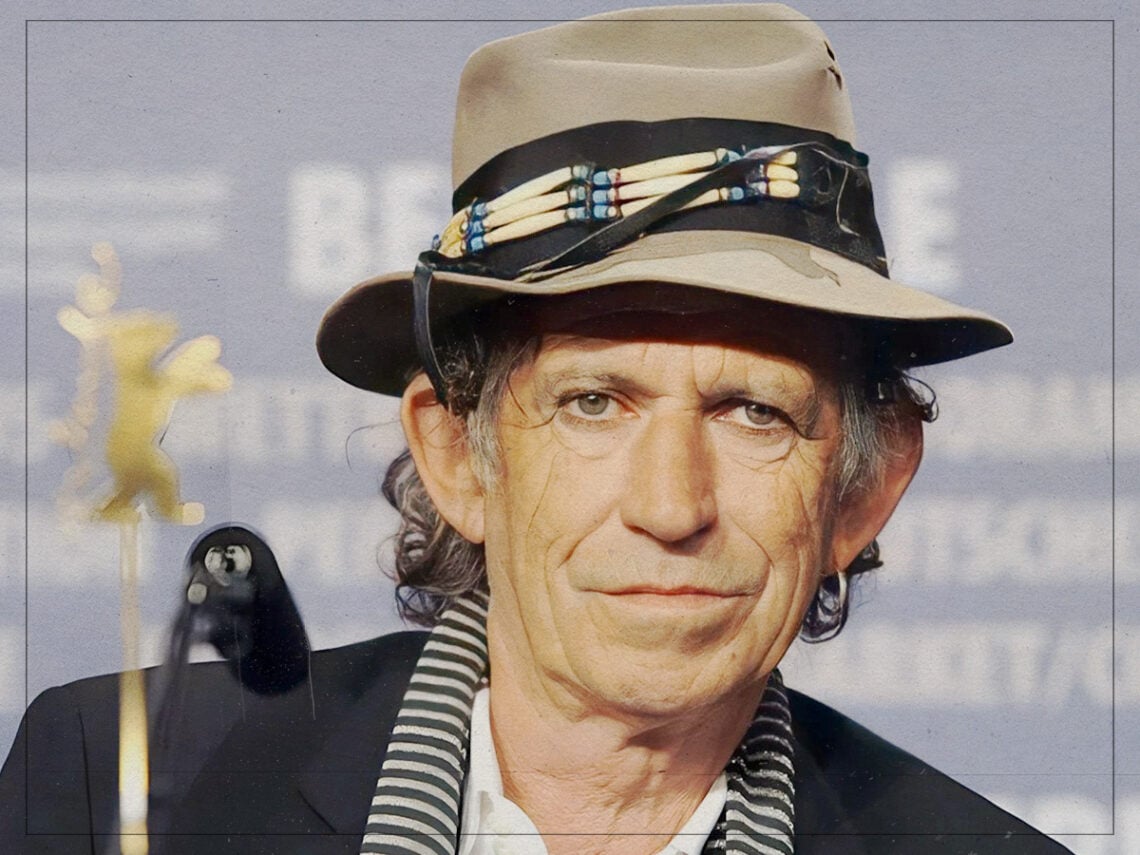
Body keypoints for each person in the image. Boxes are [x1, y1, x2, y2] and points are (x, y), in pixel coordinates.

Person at [1, 4, 1072, 854]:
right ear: (456, 454)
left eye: (754, 412)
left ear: (864, 490)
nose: (671, 506)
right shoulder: (110, 786)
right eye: (593, 402)